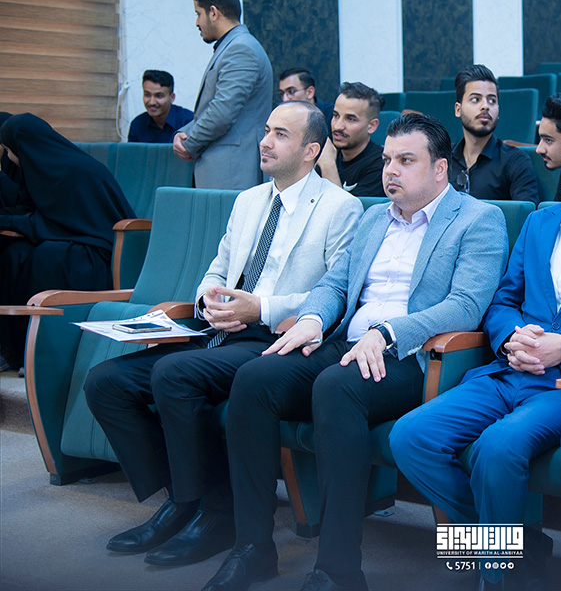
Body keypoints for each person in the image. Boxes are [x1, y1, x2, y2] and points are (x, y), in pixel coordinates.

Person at [202, 113, 510, 591]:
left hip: (414, 356)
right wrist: (312, 319)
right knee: (255, 378)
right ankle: (253, 547)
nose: (391, 171)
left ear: (439, 169)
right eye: (387, 160)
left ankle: (338, 569)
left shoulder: (478, 219)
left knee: (336, 387)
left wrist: (388, 333)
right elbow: (334, 285)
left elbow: (466, 306)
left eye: (406, 161)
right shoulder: (372, 217)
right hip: (348, 344)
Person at [390, 115, 561, 589]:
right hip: (510, 369)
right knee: (410, 437)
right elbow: (503, 301)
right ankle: (514, 547)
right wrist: (511, 336)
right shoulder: (540, 222)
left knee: (497, 448)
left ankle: (496, 578)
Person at [83, 102, 362, 567]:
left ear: (311, 150)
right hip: (220, 331)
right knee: (106, 383)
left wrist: (261, 307)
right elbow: (217, 269)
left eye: (280, 134)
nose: (264, 141)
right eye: (266, 130)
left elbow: (335, 292)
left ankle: (216, 515)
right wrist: (207, 301)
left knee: (175, 374)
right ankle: (182, 499)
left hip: (273, 338)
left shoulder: (340, 208)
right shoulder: (248, 201)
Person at [0, 114, 135, 372]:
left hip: (97, 251)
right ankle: (14, 350)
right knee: (15, 255)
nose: (7, 155)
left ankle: (43, 356)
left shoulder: (72, 169)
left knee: (45, 259)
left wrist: (8, 221)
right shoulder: (43, 166)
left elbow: (57, 222)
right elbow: (38, 214)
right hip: (71, 238)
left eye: (8, 149)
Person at [174, 0, 272, 190]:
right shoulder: (234, 46)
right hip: (227, 167)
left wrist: (189, 143)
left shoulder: (241, 49)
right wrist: (183, 133)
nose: (197, 23)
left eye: (198, 14)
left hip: (232, 170)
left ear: (213, 12)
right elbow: (215, 109)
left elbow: (222, 112)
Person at [448, 65, 539, 204]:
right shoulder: (443, 159)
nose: (485, 106)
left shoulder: (516, 162)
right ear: (458, 109)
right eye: (475, 99)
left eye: (492, 101)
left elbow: (526, 214)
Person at [314, 82, 386, 197]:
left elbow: (345, 208)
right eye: (336, 115)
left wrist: (328, 166)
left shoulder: (381, 166)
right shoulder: (327, 153)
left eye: (350, 119)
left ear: (371, 126)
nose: (338, 126)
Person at [127, 70, 194, 143]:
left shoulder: (189, 122)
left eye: (159, 96)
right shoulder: (137, 124)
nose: (152, 102)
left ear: (172, 97)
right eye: (147, 95)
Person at [278, 67, 335, 135]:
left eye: (291, 91)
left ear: (309, 92)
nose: (285, 99)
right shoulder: (281, 117)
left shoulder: (332, 115)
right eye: (282, 93)